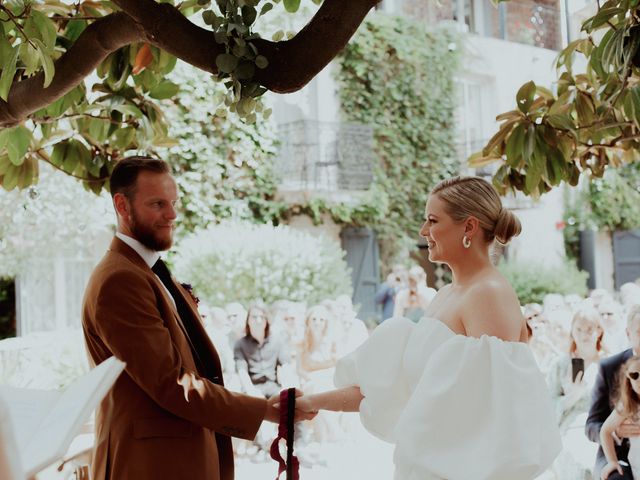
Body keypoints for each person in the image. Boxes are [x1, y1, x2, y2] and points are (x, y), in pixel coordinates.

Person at [294, 176, 561, 479]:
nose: (424, 232)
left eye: (433, 220)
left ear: (469, 227)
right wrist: (311, 403)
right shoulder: (447, 294)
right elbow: (392, 389)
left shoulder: (488, 294)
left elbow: (497, 429)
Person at [81, 156, 313, 480]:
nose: (172, 214)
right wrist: (263, 409)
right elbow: (171, 383)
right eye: (158, 203)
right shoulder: (120, 280)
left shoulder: (147, 271)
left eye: (173, 202)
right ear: (122, 205)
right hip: (150, 466)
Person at [587, 304, 640, 480]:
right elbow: (592, 424)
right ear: (628, 334)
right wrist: (616, 431)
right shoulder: (609, 367)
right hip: (617, 453)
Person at [599, 355, 640, 479]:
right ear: (628, 378)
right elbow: (605, 431)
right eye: (635, 375)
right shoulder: (628, 406)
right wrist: (612, 461)